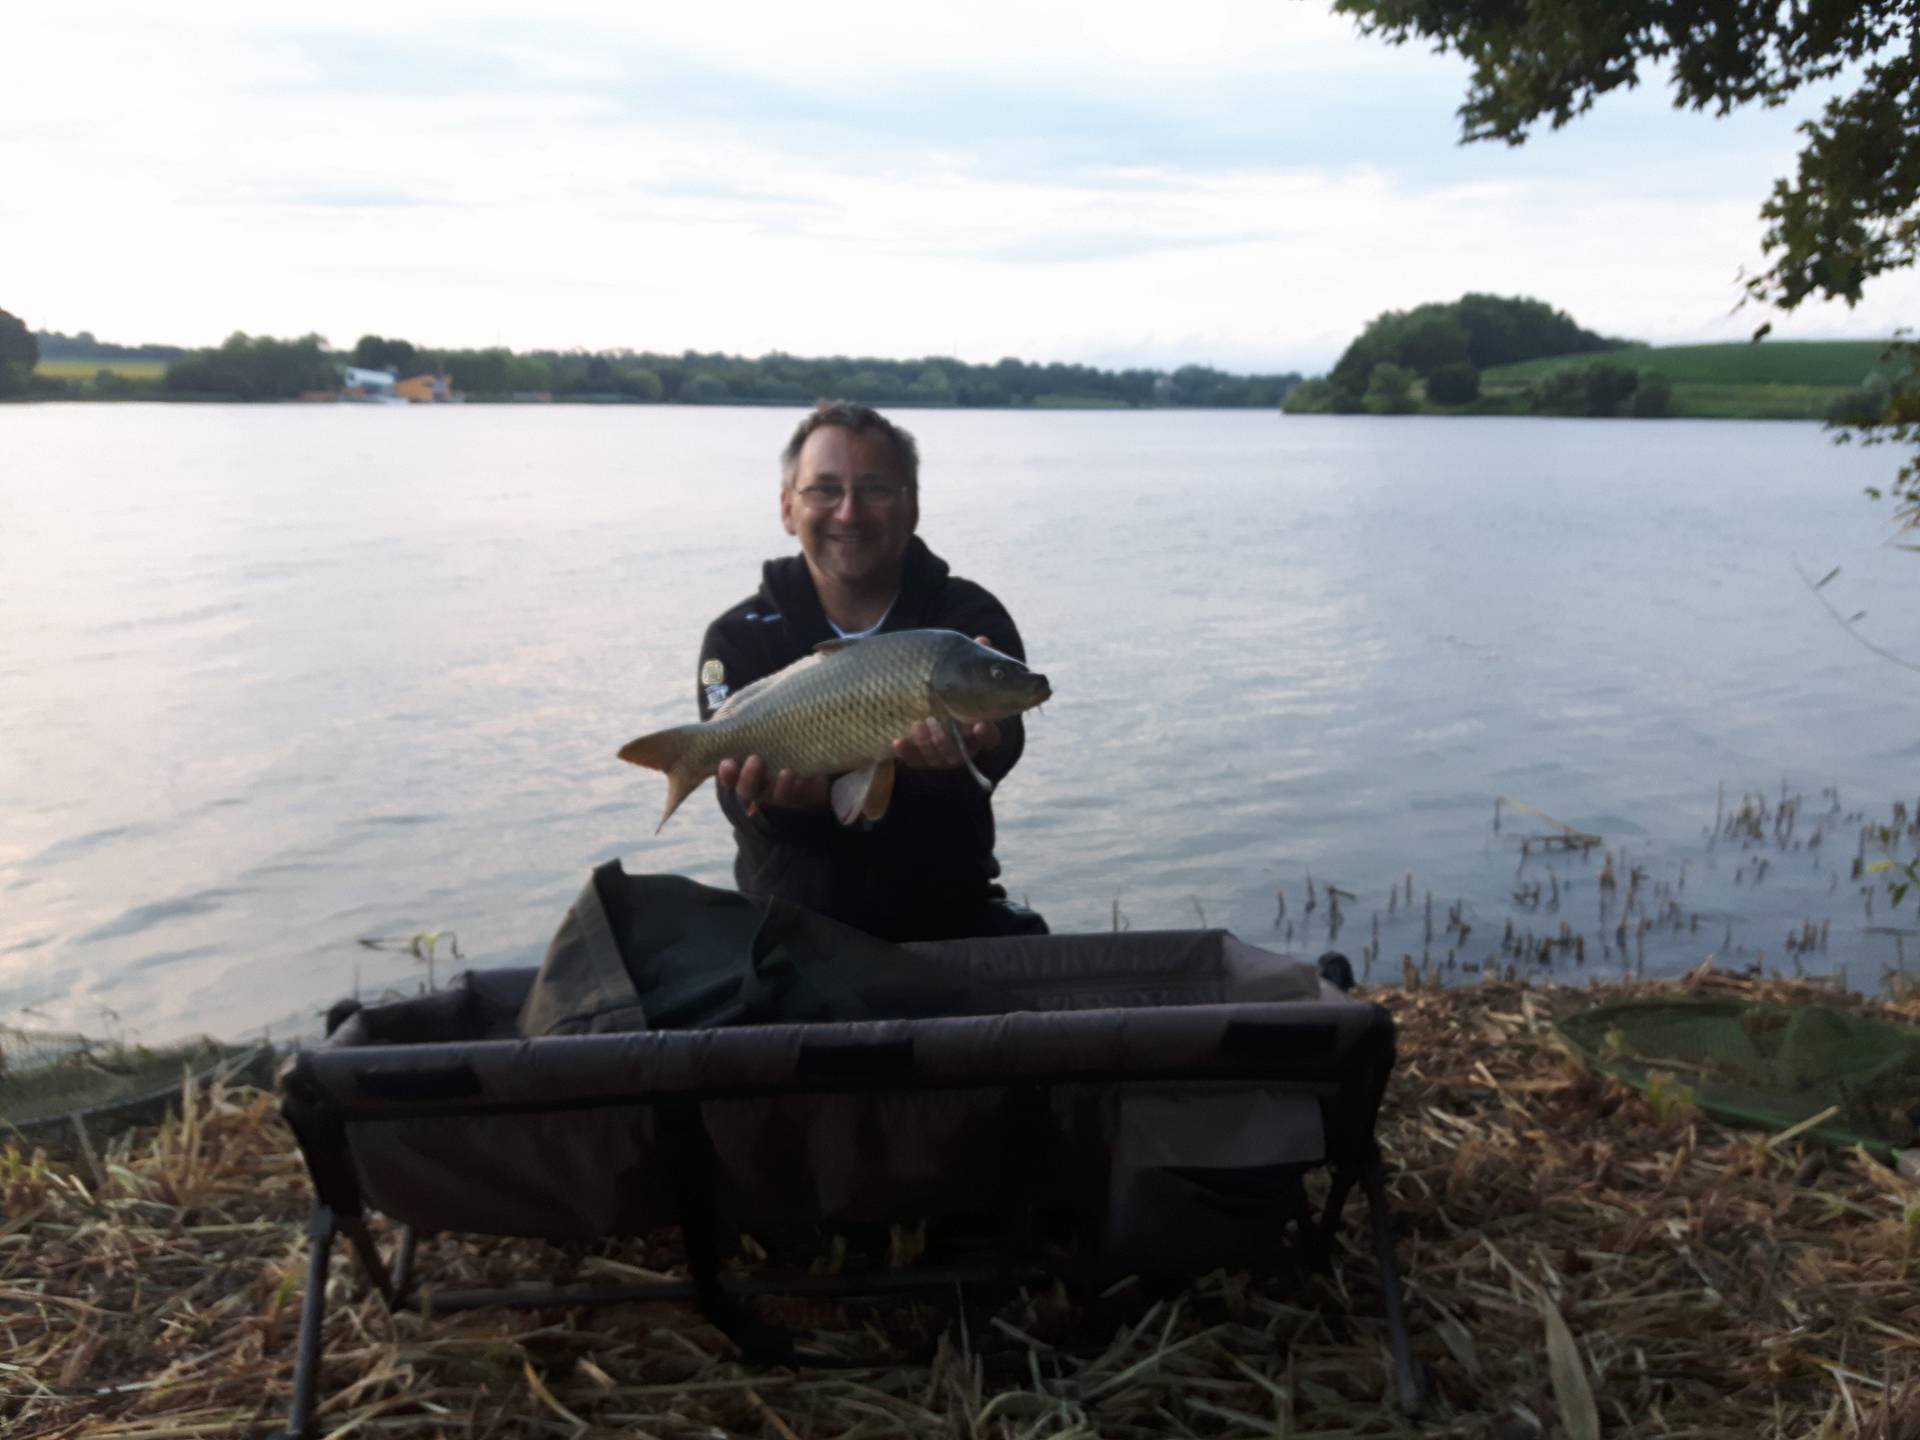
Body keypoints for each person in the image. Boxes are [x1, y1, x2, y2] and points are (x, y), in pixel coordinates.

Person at [695, 400, 1046, 942]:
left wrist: (952, 766)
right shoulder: (734, 638)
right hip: (793, 930)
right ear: (789, 508)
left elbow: (1003, 745)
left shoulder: (969, 617)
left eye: (876, 489)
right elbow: (730, 789)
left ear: (912, 508)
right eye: (825, 489)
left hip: (948, 918)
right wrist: (793, 807)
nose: (849, 513)